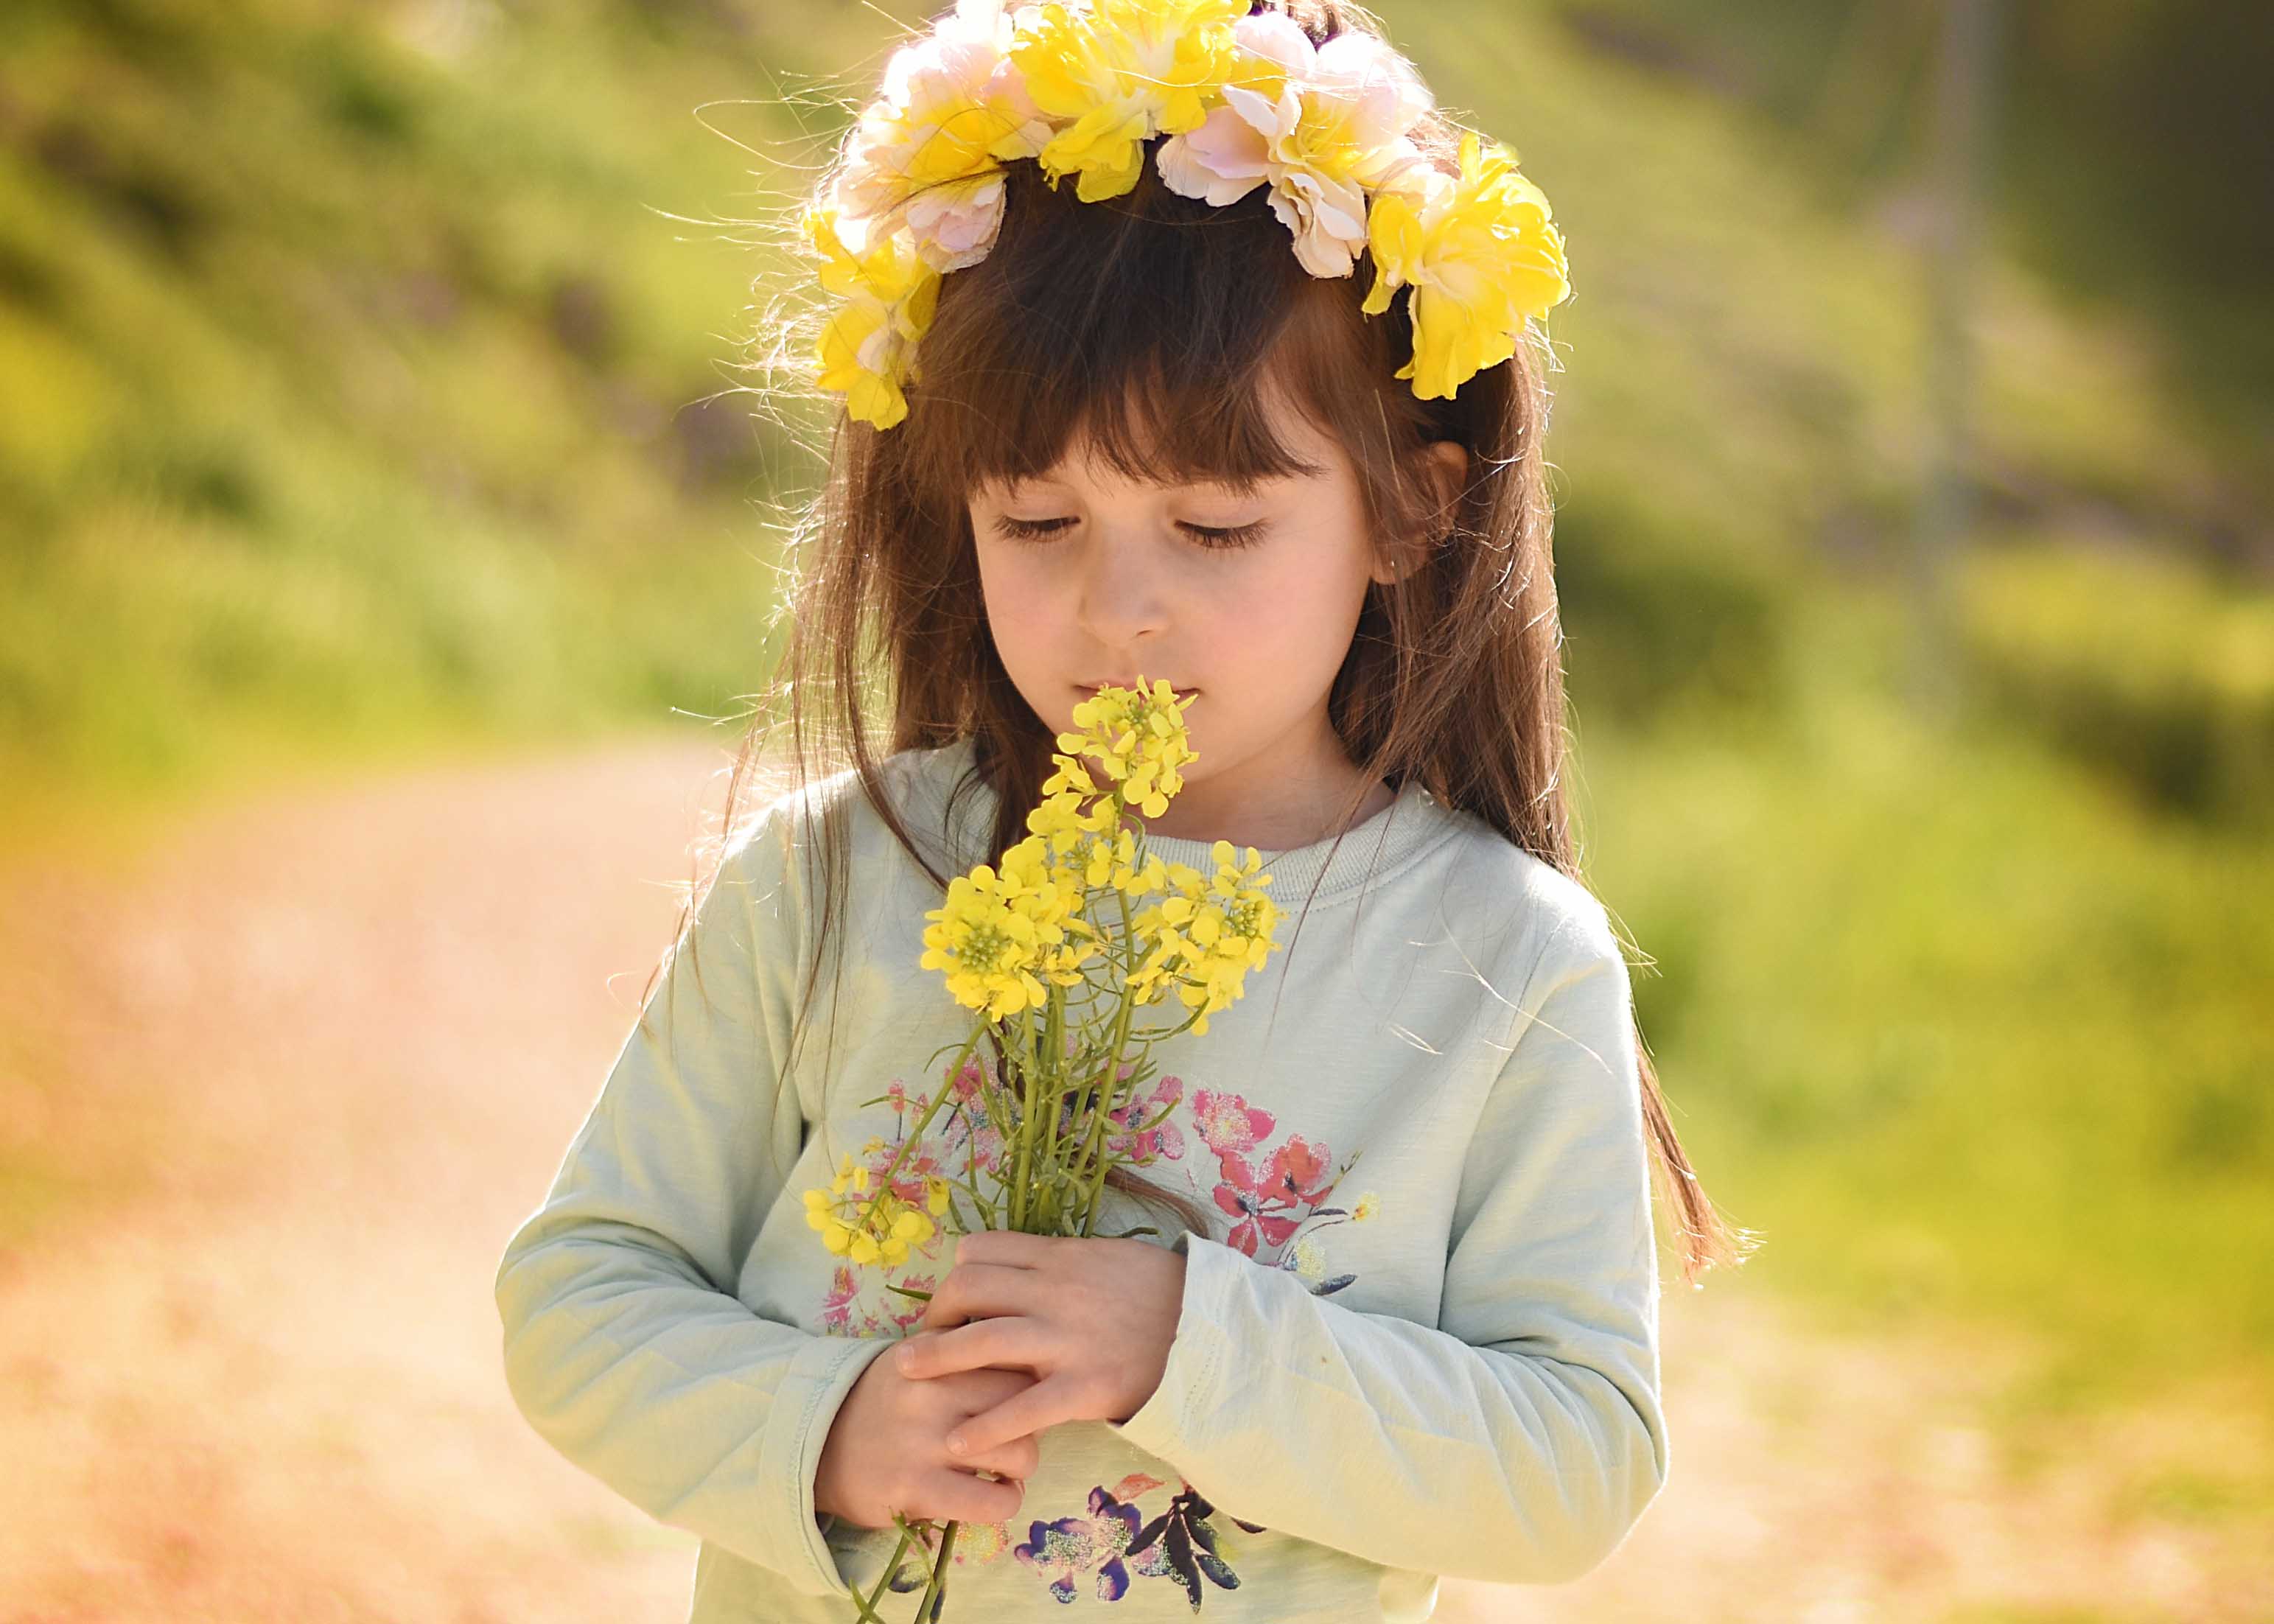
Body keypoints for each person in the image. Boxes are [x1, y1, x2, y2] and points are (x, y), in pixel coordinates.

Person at [493, 1, 1754, 1618]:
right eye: (1036, 518)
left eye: (1216, 527)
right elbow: (580, 1289)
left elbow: (1574, 1459)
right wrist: (821, 1427)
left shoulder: (1502, 958)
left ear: (1409, 510)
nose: (1116, 609)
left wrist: (1186, 1342)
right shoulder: (833, 875)